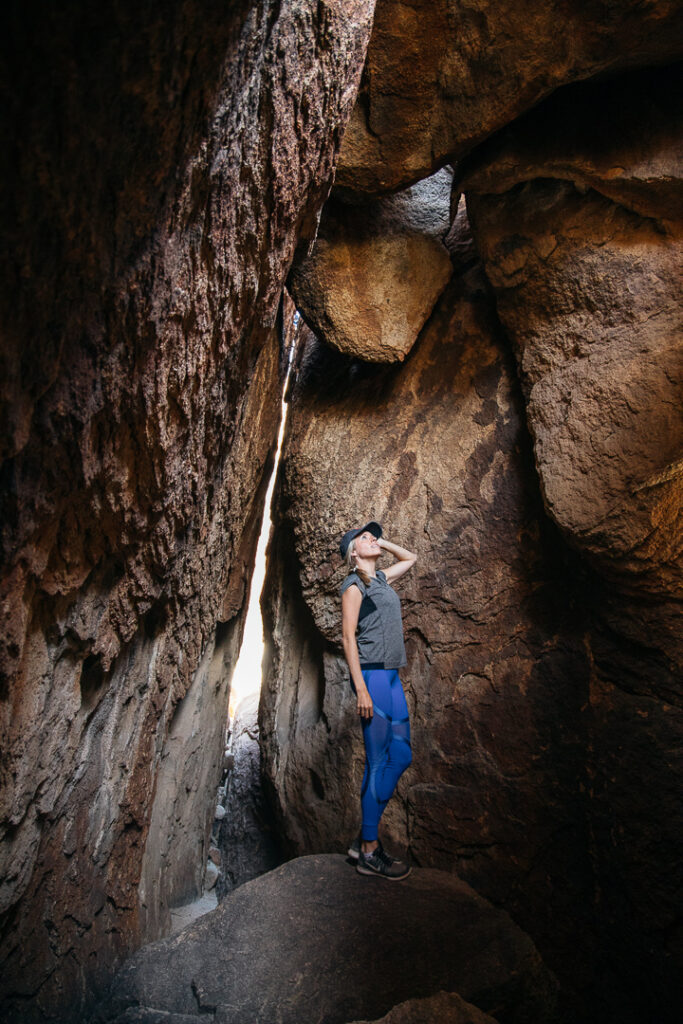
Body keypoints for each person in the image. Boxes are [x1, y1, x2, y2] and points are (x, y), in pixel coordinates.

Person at [338, 520, 417, 880]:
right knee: (378, 761)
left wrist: (382, 543)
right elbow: (348, 638)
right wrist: (362, 689)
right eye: (364, 538)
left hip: (391, 675)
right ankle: (369, 850)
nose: (372, 539)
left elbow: (411, 557)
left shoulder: (380, 580)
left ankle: (363, 838)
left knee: (401, 755)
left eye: (374, 536)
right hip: (372, 677)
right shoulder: (354, 585)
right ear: (352, 552)